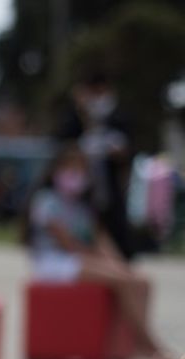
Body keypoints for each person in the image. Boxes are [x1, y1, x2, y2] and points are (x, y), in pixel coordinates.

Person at [27, 144, 178, 359]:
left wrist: (117, 264)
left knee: (140, 281)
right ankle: (150, 347)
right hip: (54, 263)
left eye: (80, 169)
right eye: (70, 168)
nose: (75, 175)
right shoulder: (46, 201)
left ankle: (129, 349)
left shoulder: (83, 206)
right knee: (123, 281)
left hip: (80, 260)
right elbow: (69, 245)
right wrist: (109, 266)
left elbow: (100, 240)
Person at [56, 72, 135, 260]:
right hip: (83, 185)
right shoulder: (75, 117)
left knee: (114, 224)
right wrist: (82, 114)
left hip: (110, 183)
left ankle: (119, 260)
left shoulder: (117, 116)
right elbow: (62, 143)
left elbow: (127, 149)